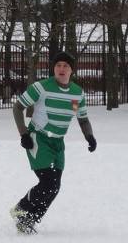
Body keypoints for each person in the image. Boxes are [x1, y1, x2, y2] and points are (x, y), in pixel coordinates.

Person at [10, 51, 97, 233]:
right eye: (58, 65)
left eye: (65, 66)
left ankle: (29, 218)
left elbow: (82, 119)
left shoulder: (77, 94)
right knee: (48, 182)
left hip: (58, 143)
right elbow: (18, 108)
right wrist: (23, 134)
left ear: (72, 70)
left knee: (54, 187)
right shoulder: (41, 87)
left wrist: (89, 136)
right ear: (53, 68)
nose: (61, 69)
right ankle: (22, 210)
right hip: (39, 139)